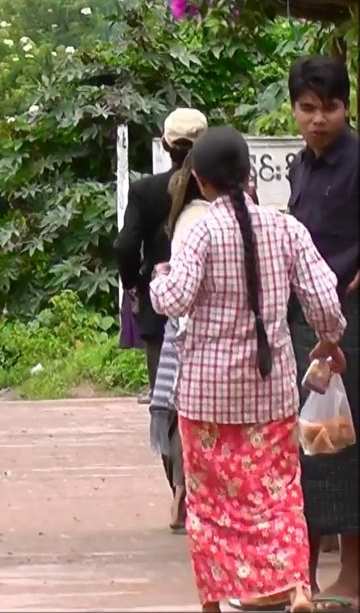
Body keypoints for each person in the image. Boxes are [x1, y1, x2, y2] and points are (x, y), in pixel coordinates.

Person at [149, 125, 348, 613]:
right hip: (271, 390)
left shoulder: (199, 232)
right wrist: (328, 341)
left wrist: (159, 279)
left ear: (198, 179)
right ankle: (298, 586)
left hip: (206, 396)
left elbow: (175, 300)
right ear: (248, 173)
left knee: (212, 503)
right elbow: (325, 300)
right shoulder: (285, 228)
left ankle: (215, 601)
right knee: (278, 494)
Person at [283, 55, 360, 610]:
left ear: (346, 108)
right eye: (307, 108)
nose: (317, 119)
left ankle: (352, 577)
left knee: (347, 450)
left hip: (352, 324)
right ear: (294, 110)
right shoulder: (299, 167)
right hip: (303, 322)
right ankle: (298, 576)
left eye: (328, 108)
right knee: (306, 447)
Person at [117, 107, 209, 405]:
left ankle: (171, 450)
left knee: (165, 395)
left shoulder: (145, 190)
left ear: (165, 144)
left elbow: (125, 245)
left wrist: (133, 284)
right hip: (210, 299)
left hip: (159, 300)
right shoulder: (213, 190)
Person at [146, 148, 210, 533]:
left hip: (183, 333)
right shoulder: (265, 221)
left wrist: (155, 282)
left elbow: (175, 295)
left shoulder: (185, 217)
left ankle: (183, 489)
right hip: (249, 351)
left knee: (180, 414)